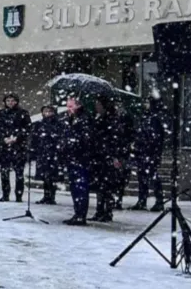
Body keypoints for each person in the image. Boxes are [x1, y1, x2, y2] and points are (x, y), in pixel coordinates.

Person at [93, 96, 130, 222]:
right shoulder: (101, 119)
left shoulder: (112, 120)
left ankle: (107, 211)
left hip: (107, 156)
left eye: (98, 105)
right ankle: (100, 210)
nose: (96, 107)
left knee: (107, 186)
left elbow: (116, 139)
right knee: (101, 186)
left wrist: (114, 156)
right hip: (101, 156)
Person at [61, 96, 96, 225]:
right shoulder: (69, 119)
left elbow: (87, 139)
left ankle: (81, 214)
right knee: (75, 187)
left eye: (71, 106)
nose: (68, 109)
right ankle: (78, 213)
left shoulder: (85, 119)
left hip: (81, 158)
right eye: (67, 106)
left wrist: (73, 142)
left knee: (80, 187)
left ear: (78, 106)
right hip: (72, 158)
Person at [0, 93, 32, 202]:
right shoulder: (0, 114)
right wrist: (3, 138)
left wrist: (16, 138)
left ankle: (19, 195)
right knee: (4, 172)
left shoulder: (23, 113)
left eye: (12, 100)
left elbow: (27, 128)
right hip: (4, 147)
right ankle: (5, 194)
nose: (10, 103)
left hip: (19, 147)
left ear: (17, 102)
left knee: (19, 173)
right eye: (8, 100)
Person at [132, 98, 166, 211]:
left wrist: (145, 146)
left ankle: (157, 200)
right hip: (145, 153)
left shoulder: (154, 119)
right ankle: (143, 200)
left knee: (152, 177)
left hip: (149, 153)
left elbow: (155, 138)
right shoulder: (146, 118)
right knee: (143, 177)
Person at [30, 104, 64, 205]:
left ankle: (51, 196)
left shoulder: (58, 124)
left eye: (49, 111)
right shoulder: (39, 124)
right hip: (42, 152)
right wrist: (33, 150)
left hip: (53, 153)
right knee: (45, 176)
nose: (47, 113)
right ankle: (46, 195)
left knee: (51, 175)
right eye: (45, 111)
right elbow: (34, 138)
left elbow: (60, 137)